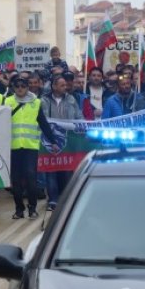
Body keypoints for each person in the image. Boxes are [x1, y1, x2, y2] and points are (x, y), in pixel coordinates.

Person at [5, 76, 59, 219]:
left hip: (30, 147)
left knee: (31, 177)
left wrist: (53, 141)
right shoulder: (7, 102)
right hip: (13, 146)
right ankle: (19, 209)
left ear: (28, 87)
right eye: (17, 86)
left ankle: (32, 208)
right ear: (13, 88)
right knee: (15, 180)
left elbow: (43, 123)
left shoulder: (36, 102)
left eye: (23, 86)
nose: (20, 89)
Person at [42, 75, 83, 211]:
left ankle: (65, 198)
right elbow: (43, 119)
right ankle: (53, 200)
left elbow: (78, 117)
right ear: (54, 86)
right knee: (51, 171)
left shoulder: (71, 99)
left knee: (66, 170)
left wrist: (83, 126)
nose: (65, 88)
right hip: (49, 140)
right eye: (62, 85)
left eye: (65, 85)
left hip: (67, 140)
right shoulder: (44, 100)